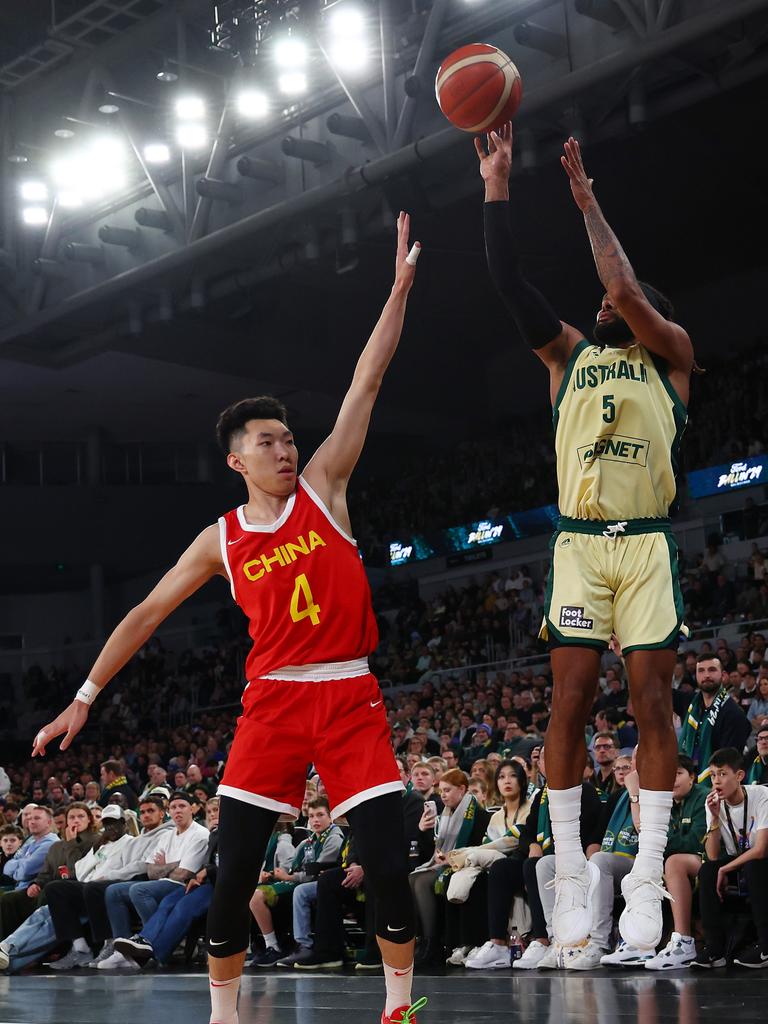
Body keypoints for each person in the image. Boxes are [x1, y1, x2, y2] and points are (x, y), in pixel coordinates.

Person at [32, 214, 425, 1024]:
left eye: (289, 437)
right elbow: (145, 612)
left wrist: (397, 295)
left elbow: (367, 383)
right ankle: (225, 1015)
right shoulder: (222, 537)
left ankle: (396, 1008)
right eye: (268, 441)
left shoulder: (325, 488)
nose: (287, 449)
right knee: (235, 865)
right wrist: (86, 692)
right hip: (274, 700)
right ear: (236, 459)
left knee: (387, 860)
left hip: (348, 693)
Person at [478, 121, 696, 954]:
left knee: (649, 704)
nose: (600, 302)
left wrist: (586, 202)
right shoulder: (568, 357)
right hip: (579, 544)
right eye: (601, 299)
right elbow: (509, 282)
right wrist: (498, 184)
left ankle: (644, 871)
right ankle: (569, 867)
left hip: (645, 544)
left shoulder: (670, 356)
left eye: (615, 300)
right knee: (568, 701)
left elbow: (626, 287)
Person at [692, 748, 768, 969]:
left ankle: (765, 947)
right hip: (742, 860)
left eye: (723, 774)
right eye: (713, 774)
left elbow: (762, 849)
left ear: (740, 776)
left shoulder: (761, 796)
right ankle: (715, 950)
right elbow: (713, 855)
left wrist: (725, 870)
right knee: (707, 870)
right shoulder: (714, 803)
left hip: (761, 861)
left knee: (754, 865)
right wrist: (714, 817)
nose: (716, 781)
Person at [409, 769, 490, 967]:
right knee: (412, 877)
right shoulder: (444, 815)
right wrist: (422, 831)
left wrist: (452, 858)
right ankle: (424, 939)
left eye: (447, 790)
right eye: (441, 790)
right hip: (446, 863)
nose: (442, 795)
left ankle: (432, 942)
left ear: (462, 789)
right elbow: (432, 848)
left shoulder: (478, 814)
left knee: (420, 881)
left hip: (468, 865)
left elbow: (478, 847)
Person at [642, 754, 707, 971]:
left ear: (692, 777)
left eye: (678, 773)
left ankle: (684, 941)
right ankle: (641, 942)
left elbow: (695, 842)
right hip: (682, 860)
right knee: (644, 864)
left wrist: (664, 842)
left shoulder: (704, 798)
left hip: (711, 860)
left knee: (674, 862)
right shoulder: (665, 804)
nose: (673, 780)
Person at [679, 654, 752, 784]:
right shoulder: (691, 705)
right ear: (696, 676)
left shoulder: (733, 714)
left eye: (712, 670)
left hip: (719, 787)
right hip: (690, 782)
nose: (706, 675)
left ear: (723, 675)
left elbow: (728, 763)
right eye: (701, 671)